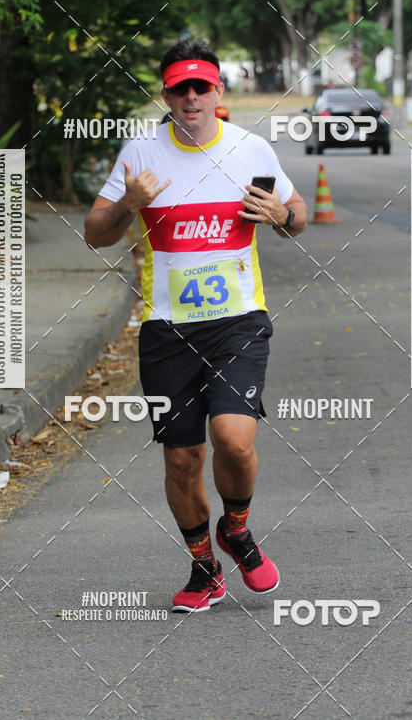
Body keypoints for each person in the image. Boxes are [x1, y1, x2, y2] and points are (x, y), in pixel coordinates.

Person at [84, 40, 307, 612]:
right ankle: (204, 567)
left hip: (238, 323)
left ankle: (237, 526)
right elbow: (96, 233)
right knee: (182, 459)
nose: (190, 97)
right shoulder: (140, 154)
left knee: (234, 439)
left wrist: (280, 215)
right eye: (179, 88)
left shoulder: (249, 149)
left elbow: (297, 216)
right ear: (165, 94)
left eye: (200, 87)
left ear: (217, 92)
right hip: (167, 330)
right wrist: (128, 205)